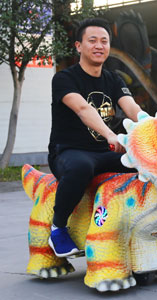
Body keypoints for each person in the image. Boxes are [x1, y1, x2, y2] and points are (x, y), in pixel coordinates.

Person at [48, 18, 142, 257]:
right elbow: (83, 109)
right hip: (70, 151)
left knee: (144, 166)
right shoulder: (64, 78)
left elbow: (132, 109)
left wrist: (154, 128)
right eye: (92, 40)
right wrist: (112, 135)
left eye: (104, 41)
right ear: (79, 46)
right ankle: (58, 228)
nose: (99, 46)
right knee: (81, 167)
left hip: (105, 152)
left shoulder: (113, 79)